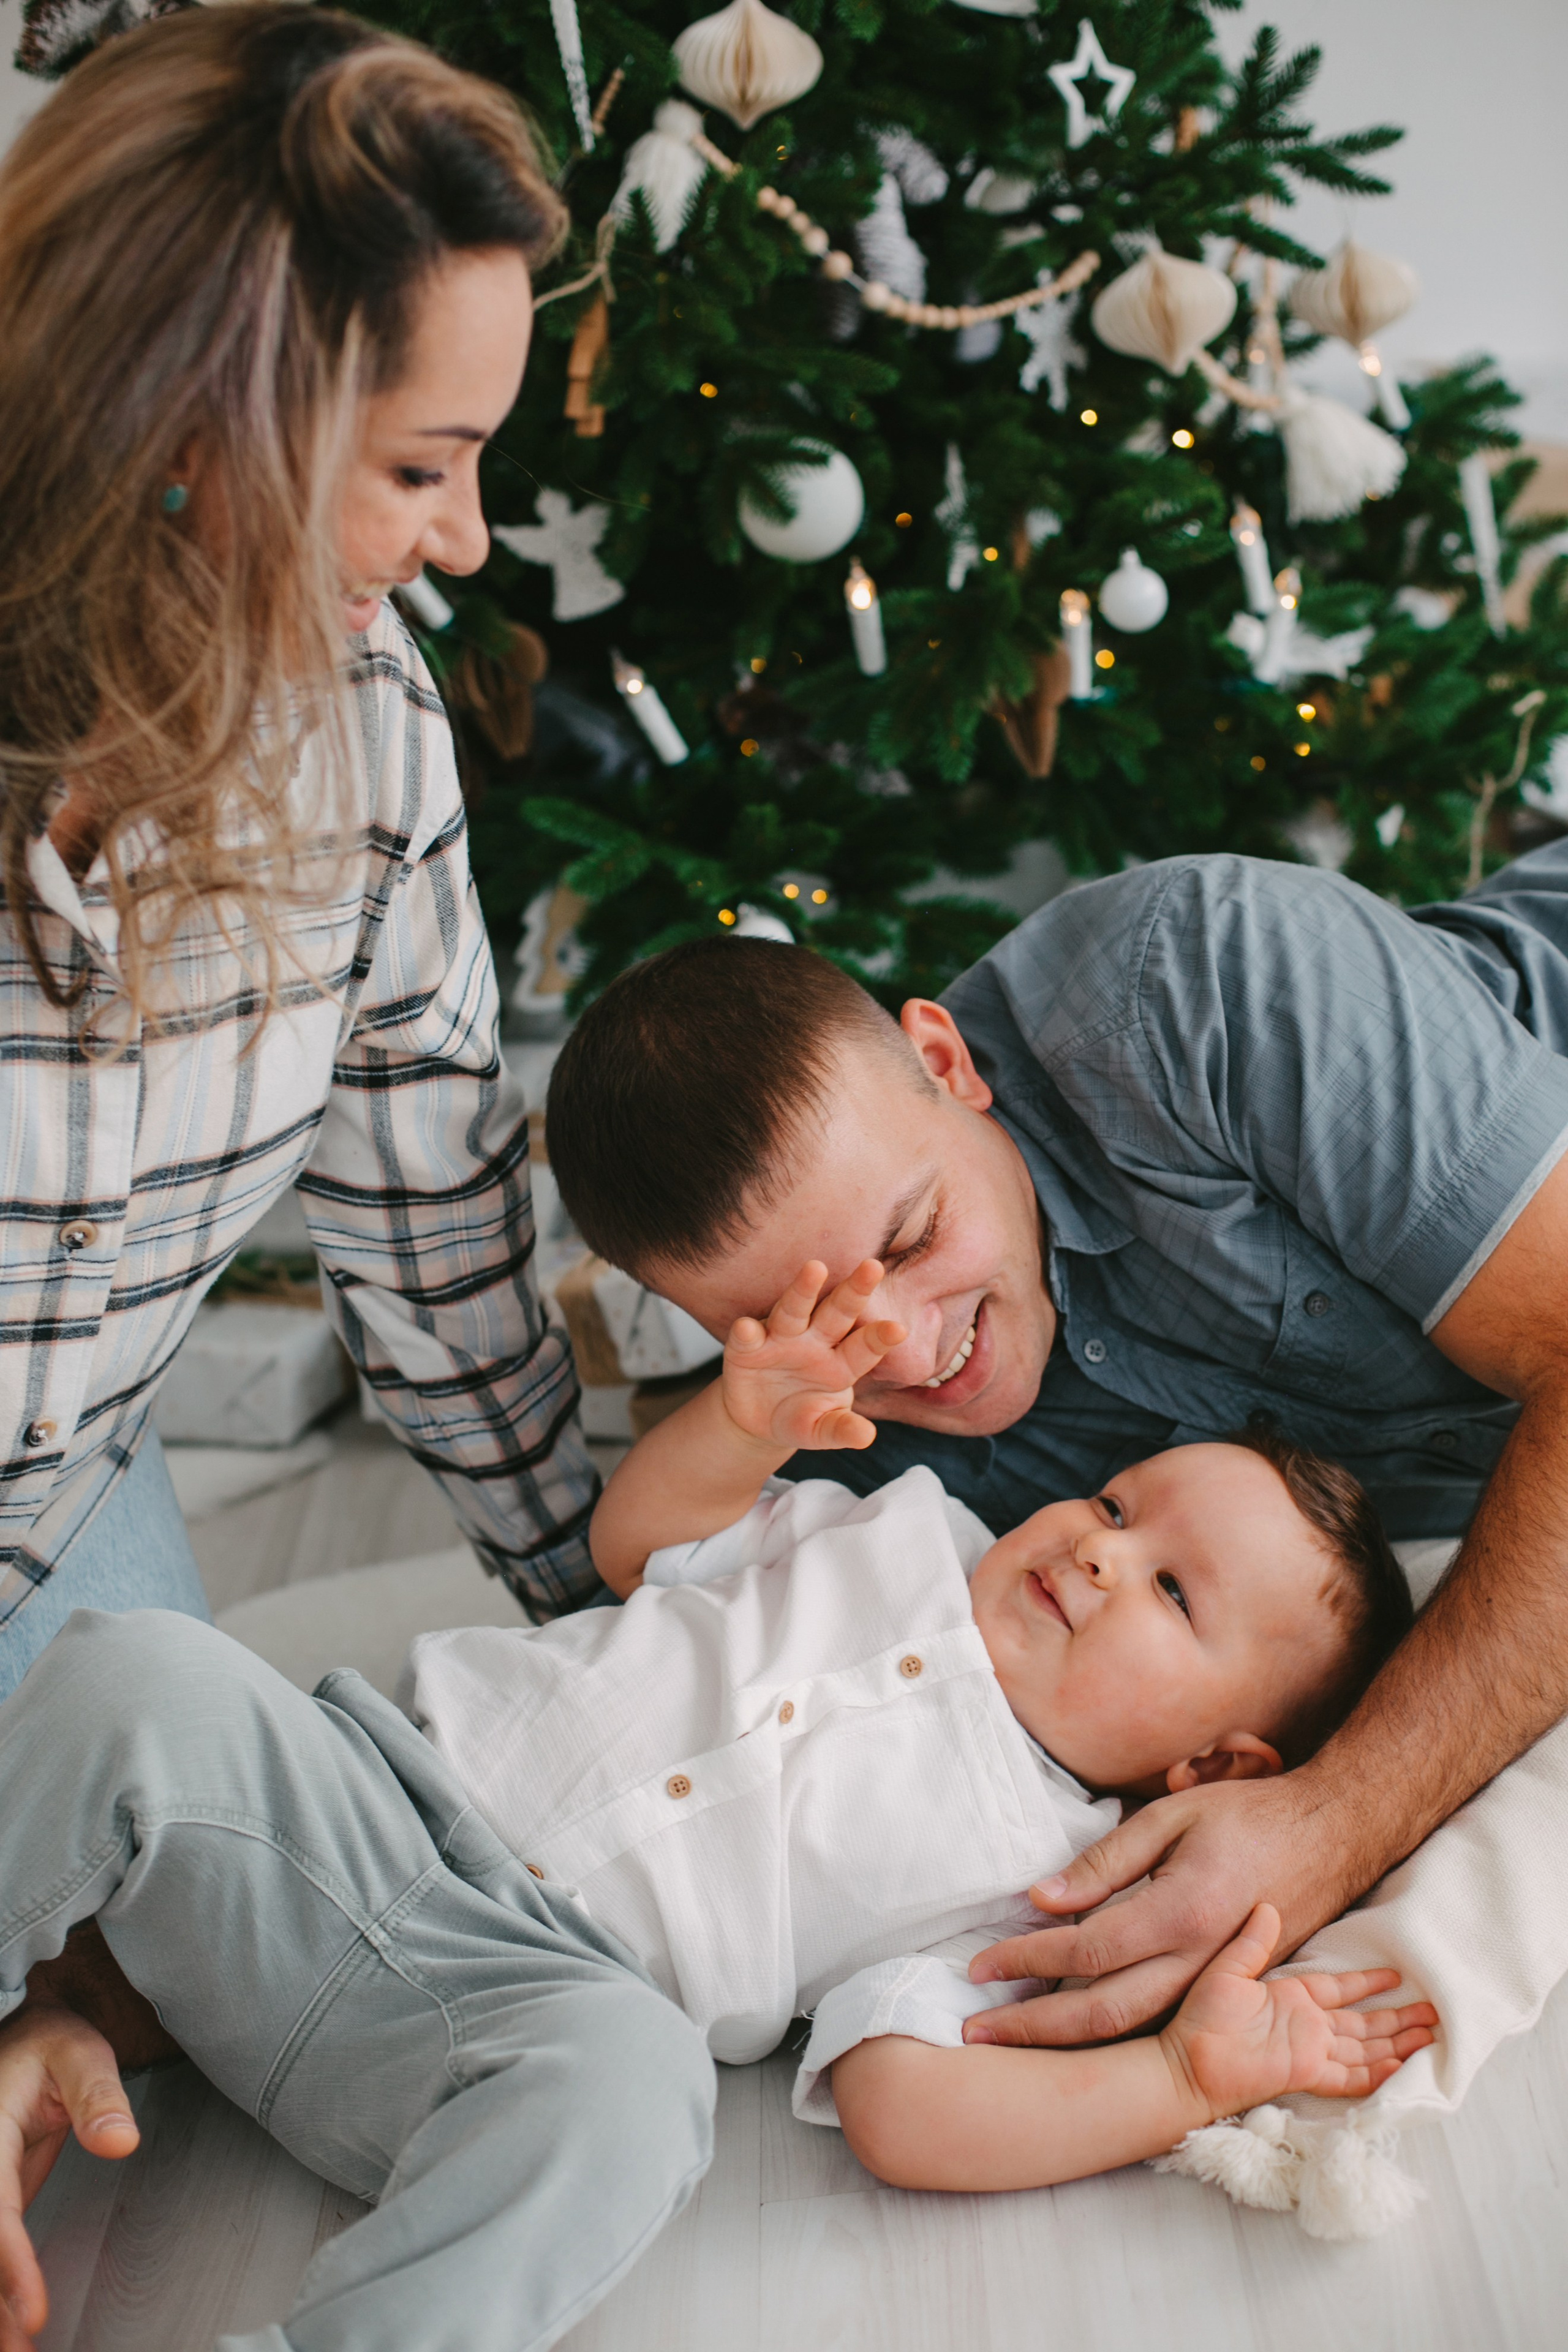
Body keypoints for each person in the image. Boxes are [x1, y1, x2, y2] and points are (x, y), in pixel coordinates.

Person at [0, 1260, 1431, 2352]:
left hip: (511, 2014)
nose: (1102, 1555)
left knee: (639, 2099)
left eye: (1172, 1593)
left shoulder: (1047, 1884)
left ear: (1215, 1769)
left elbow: (903, 2105)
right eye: (1118, 1507)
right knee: (142, 1675)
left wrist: (1177, 2084)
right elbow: (644, 1544)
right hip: (352, 1803)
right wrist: (738, 1428)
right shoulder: (906, 1526)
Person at [542, 836, 1568, 2045]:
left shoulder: (1188, 989)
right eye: (815, 1321)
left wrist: (1337, 1819)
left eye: (916, 1241)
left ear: (944, 1063)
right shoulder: (829, 1435)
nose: (917, 1360)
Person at [0, 2, 599, 1699]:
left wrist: (619, 1613)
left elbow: (434, 1230)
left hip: (63, 1490)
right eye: (422, 466)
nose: (465, 542)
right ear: (194, 422)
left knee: (175, 1947)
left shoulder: (367, 725)